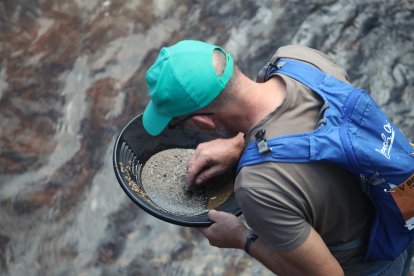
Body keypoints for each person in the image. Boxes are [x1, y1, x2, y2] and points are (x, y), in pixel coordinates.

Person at [142, 40, 414, 275]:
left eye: (179, 123)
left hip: (370, 266)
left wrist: (242, 237)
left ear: (203, 120)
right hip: (398, 212)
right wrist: (239, 144)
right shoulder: (296, 59)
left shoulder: (257, 186)